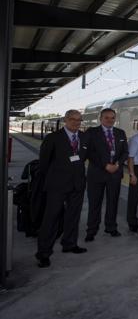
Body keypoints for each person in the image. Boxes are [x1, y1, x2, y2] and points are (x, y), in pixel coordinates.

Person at [35, 110, 89, 268]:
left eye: (79, 120)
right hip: (57, 185)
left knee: (73, 216)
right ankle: (44, 253)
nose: (76, 123)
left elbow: (84, 158)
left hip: (77, 184)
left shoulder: (84, 137)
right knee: (51, 218)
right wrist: (53, 178)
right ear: (65, 120)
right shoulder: (53, 138)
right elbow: (44, 163)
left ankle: (70, 244)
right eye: (73, 119)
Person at [85, 108, 128, 242]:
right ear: (100, 119)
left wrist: (117, 165)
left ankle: (111, 227)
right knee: (94, 203)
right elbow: (89, 153)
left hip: (115, 174)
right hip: (96, 174)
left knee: (113, 202)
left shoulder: (120, 133)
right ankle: (91, 230)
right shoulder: (91, 132)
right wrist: (105, 165)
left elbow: (125, 152)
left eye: (112, 118)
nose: (110, 120)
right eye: (107, 118)